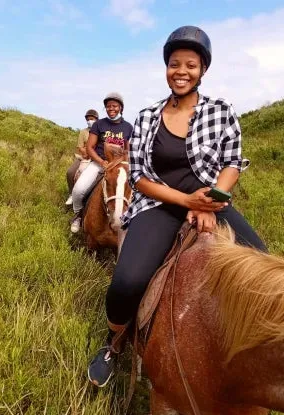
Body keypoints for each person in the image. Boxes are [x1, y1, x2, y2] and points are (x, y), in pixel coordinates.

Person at [87, 26, 267, 387]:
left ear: (202, 70)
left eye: (190, 65)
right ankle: (114, 342)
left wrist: (211, 202)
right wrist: (186, 201)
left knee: (261, 263)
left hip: (210, 202)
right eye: (174, 64)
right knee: (126, 280)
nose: (181, 71)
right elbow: (138, 176)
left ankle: (252, 354)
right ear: (166, 68)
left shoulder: (221, 111)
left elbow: (232, 162)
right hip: (159, 204)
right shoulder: (147, 116)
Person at [69, 93, 133, 233]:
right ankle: (78, 215)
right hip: (99, 164)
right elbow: (90, 148)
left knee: (134, 193)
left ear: (121, 108)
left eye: (114, 106)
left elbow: (128, 151)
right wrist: (101, 161)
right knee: (78, 190)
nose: (111, 108)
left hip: (119, 167)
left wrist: (125, 165)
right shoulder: (99, 124)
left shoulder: (128, 127)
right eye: (108, 106)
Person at [65, 109, 98, 206]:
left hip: (96, 157)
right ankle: (71, 194)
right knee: (70, 172)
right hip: (84, 157)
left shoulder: (100, 131)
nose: (89, 121)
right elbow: (80, 146)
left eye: (91, 119)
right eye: (88, 119)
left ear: (96, 119)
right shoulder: (83, 132)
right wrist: (85, 153)